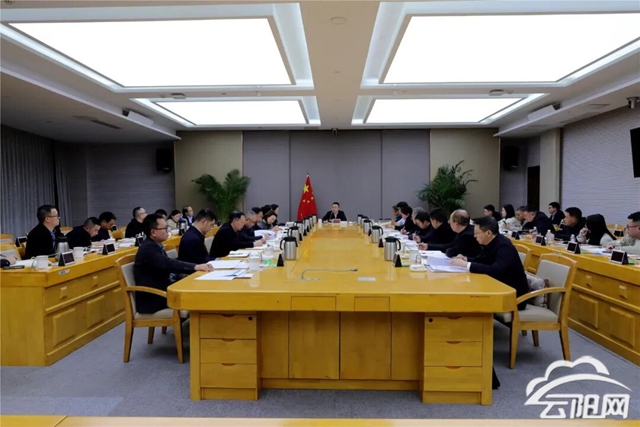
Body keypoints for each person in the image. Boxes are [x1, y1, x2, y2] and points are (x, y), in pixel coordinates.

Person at [133, 214, 212, 314]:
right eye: (165, 228)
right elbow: (168, 264)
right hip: (153, 297)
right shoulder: (148, 249)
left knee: (199, 287)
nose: (168, 231)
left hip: (164, 289)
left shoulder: (155, 245)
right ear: (153, 232)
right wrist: (195, 267)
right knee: (199, 295)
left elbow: (168, 267)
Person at [451, 216, 529, 311]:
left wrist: (466, 265)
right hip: (498, 288)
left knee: (469, 300)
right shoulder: (491, 242)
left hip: (513, 296)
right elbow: (481, 259)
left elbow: (496, 270)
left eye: (476, 233)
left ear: (488, 233)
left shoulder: (504, 246)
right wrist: (466, 259)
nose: (474, 236)